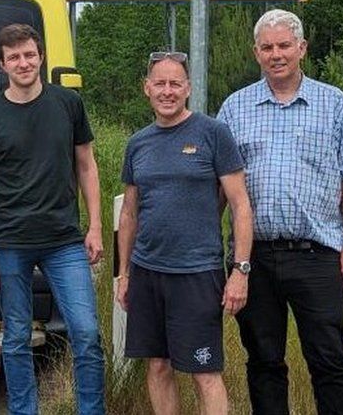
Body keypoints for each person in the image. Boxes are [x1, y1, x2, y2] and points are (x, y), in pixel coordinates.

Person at [217, 9, 343, 415]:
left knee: (329, 359)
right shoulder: (235, 108)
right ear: (256, 53)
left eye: (284, 45)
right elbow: (220, 186)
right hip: (253, 259)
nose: (276, 54)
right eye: (267, 47)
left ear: (302, 49)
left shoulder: (334, 102)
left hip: (318, 255)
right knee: (265, 361)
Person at [0, 23, 105, 415]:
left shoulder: (67, 104)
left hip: (65, 240)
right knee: (16, 338)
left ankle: (91, 410)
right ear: (1, 64)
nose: (23, 63)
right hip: (10, 243)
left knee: (86, 333)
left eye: (29, 54)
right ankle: (24, 410)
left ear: (40, 56)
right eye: (14, 57)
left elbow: (87, 166)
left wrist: (94, 227)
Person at [116, 51, 254, 415]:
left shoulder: (213, 133)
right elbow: (129, 212)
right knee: (158, 365)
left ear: (188, 88)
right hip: (147, 272)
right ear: (146, 88)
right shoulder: (138, 143)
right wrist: (124, 274)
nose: (167, 91)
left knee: (203, 372)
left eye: (175, 83)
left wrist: (240, 270)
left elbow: (240, 205)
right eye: (159, 83)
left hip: (197, 273)